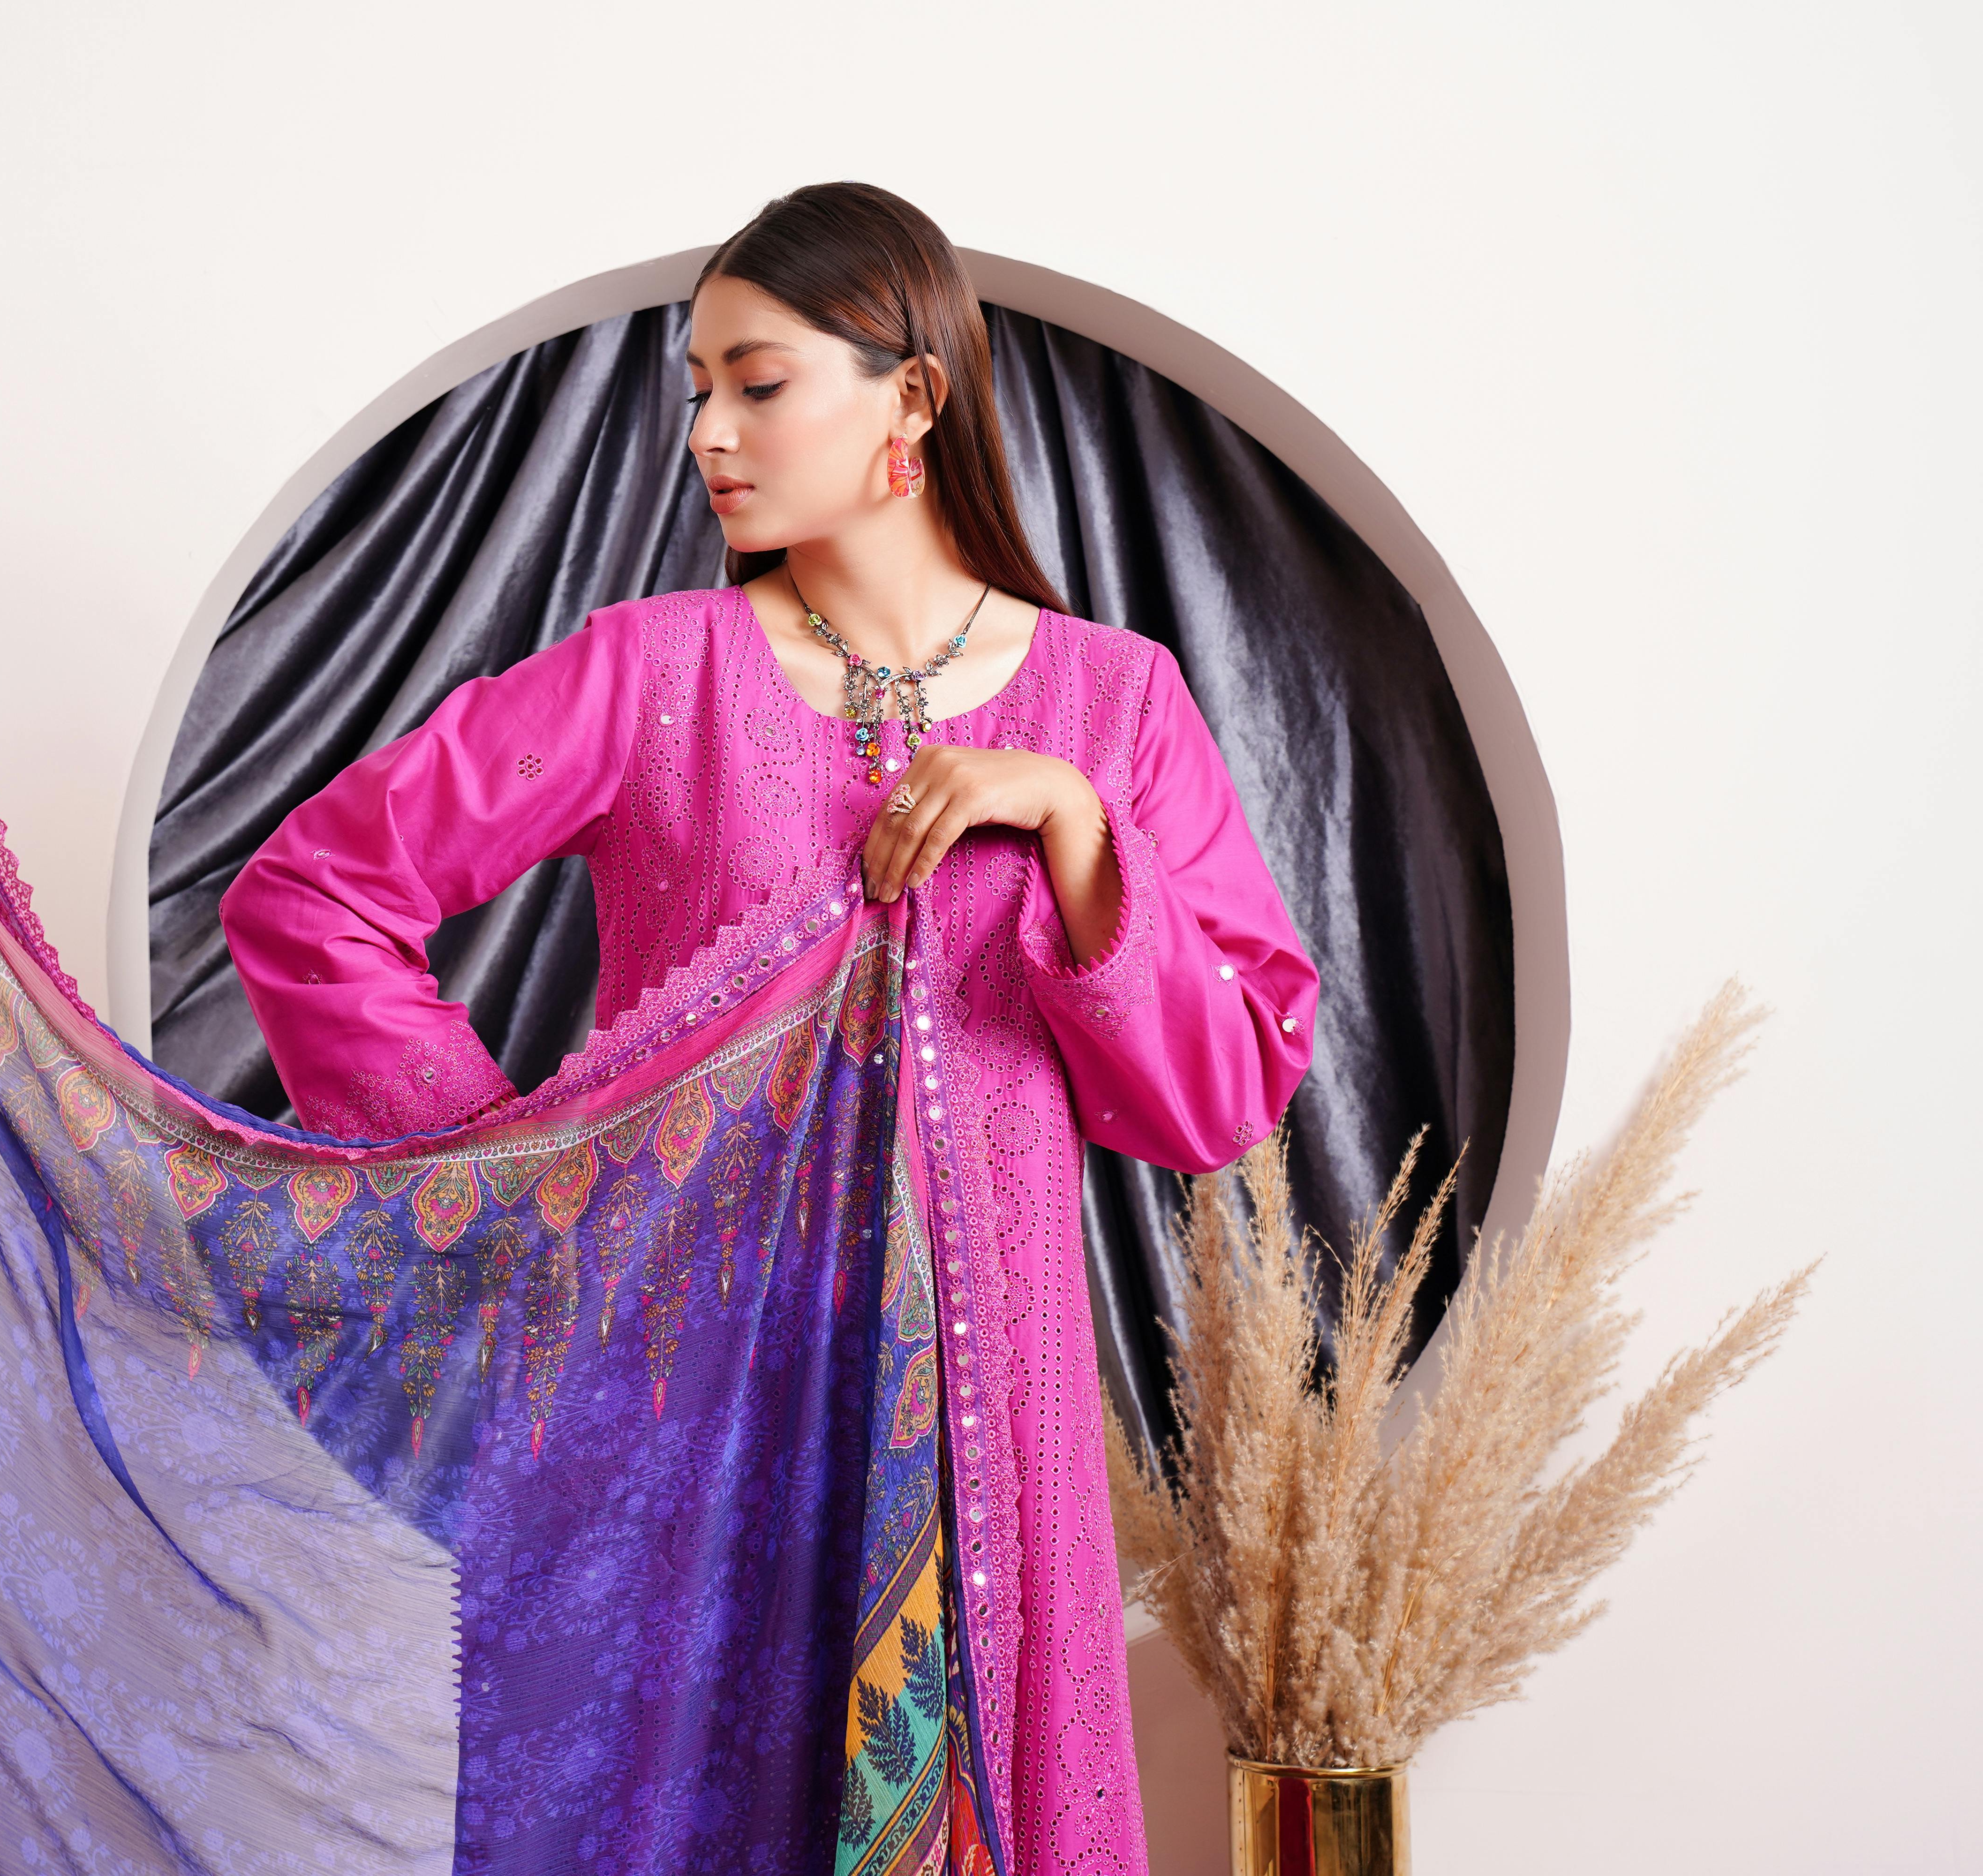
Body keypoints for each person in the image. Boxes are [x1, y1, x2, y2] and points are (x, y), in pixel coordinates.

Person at [221, 182, 1319, 1872]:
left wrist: (1077, 828)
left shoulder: (1114, 707)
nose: (708, 436)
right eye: (693, 395)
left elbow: (1222, 1094)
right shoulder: (649, 675)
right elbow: (313, 897)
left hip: (998, 1428)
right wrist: (530, 1186)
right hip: (687, 1404)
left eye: (757, 382)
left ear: (914, 399)